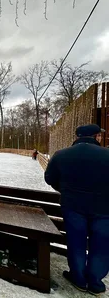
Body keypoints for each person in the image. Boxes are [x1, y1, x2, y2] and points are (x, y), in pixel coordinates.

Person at [44, 124, 109, 296]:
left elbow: (49, 178)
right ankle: (95, 281)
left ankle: (78, 277)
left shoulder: (62, 155)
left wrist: (66, 190)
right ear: (96, 137)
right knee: (102, 245)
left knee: (76, 242)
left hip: (73, 206)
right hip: (104, 209)